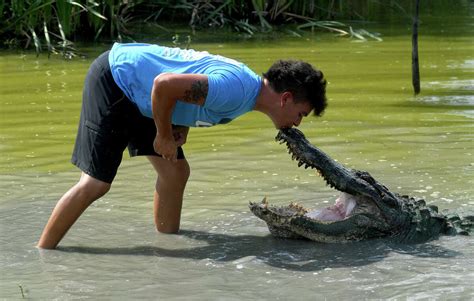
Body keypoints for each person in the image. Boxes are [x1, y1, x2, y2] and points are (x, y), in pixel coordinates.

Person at [37, 43, 327, 249]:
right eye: (301, 114)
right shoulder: (236, 90)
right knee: (95, 184)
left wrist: (179, 126)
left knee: (175, 172)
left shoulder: (247, 90)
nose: (298, 123)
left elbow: (188, 79)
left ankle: (167, 245)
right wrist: (163, 134)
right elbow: (164, 84)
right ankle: (43, 254)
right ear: (286, 98)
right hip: (116, 80)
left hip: (144, 96)